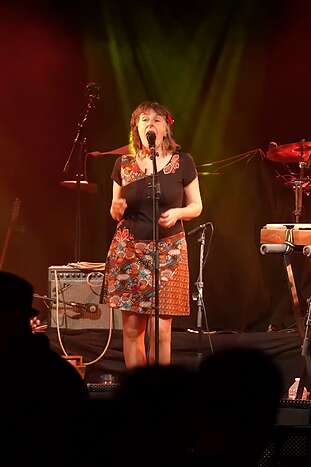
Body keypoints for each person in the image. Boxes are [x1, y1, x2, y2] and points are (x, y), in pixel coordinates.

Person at [103, 101, 202, 368]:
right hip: (130, 250)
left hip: (169, 252)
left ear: (166, 129)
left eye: (157, 120)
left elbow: (197, 206)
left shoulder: (184, 162)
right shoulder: (122, 164)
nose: (151, 124)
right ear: (136, 128)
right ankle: (138, 395)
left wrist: (178, 213)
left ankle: (161, 393)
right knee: (134, 329)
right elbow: (116, 210)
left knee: (161, 329)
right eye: (144, 119)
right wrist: (115, 207)